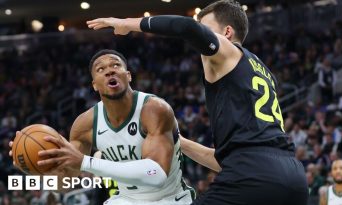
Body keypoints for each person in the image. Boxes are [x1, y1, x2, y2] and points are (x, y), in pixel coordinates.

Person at [86, 0, 308, 204]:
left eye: (205, 27)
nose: (199, 39)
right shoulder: (261, 71)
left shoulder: (227, 52)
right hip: (292, 178)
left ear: (227, 32)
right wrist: (178, 141)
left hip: (253, 175)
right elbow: (230, 160)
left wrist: (128, 24)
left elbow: (186, 28)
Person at [9, 49, 194, 205]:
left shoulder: (154, 109)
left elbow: (156, 175)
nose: (109, 71)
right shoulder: (84, 124)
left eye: (115, 65)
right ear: (94, 85)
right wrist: (39, 169)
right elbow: (64, 183)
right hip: (125, 199)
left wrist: (85, 162)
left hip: (168, 199)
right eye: (100, 69)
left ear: (128, 75)